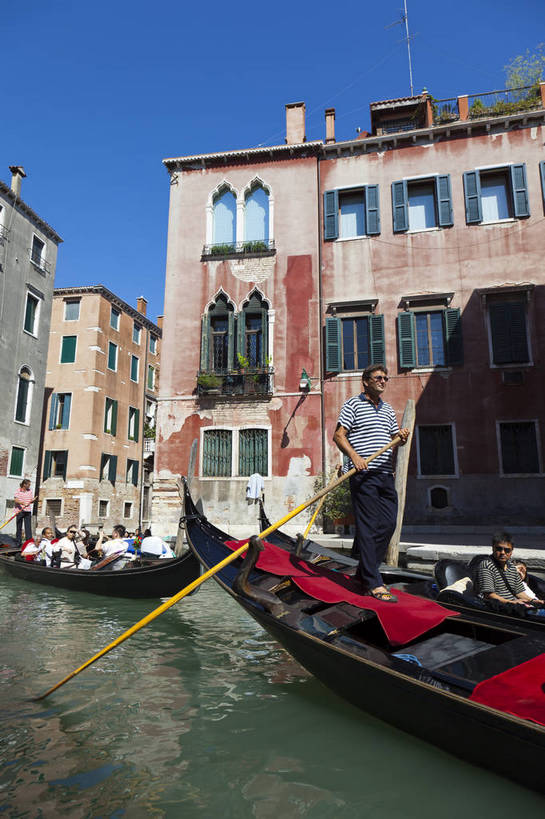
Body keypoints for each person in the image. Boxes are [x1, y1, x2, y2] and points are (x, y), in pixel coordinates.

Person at [333, 364, 409, 603]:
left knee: (387, 525)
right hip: (363, 474)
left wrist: (401, 439)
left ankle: (362, 574)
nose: (383, 381)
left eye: (386, 378)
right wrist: (354, 457)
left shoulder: (387, 410)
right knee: (368, 527)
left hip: (385, 474)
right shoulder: (353, 404)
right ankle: (374, 582)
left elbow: (393, 441)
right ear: (365, 381)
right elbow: (338, 435)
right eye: (378, 378)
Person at [474, 532, 544, 607]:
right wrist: (511, 602)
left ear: (511, 551)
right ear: (493, 548)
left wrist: (533, 601)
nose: (502, 553)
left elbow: (519, 592)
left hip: (515, 606)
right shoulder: (487, 565)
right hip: (500, 608)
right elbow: (489, 595)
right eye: (499, 549)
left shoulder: (511, 566)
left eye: (507, 550)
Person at [14, 479, 34, 548]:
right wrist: (22, 503)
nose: (29, 486)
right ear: (24, 484)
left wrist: (32, 501)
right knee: (19, 527)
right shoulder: (18, 491)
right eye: (29, 484)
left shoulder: (30, 491)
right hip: (19, 511)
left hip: (27, 511)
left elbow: (31, 500)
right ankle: (18, 543)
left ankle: (29, 543)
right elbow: (16, 500)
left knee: (28, 528)